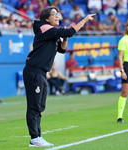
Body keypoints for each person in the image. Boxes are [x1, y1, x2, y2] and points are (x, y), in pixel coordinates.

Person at [23, 6, 95, 147]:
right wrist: (85, 19)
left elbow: (62, 49)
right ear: (46, 18)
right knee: (34, 106)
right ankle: (34, 138)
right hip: (34, 72)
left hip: (42, 72)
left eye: (58, 14)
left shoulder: (51, 32)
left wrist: (65, 38)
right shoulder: (44, 27)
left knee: (40, 107)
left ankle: (38, 136)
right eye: (53, 14)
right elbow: (69, 31)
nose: (57, 16)